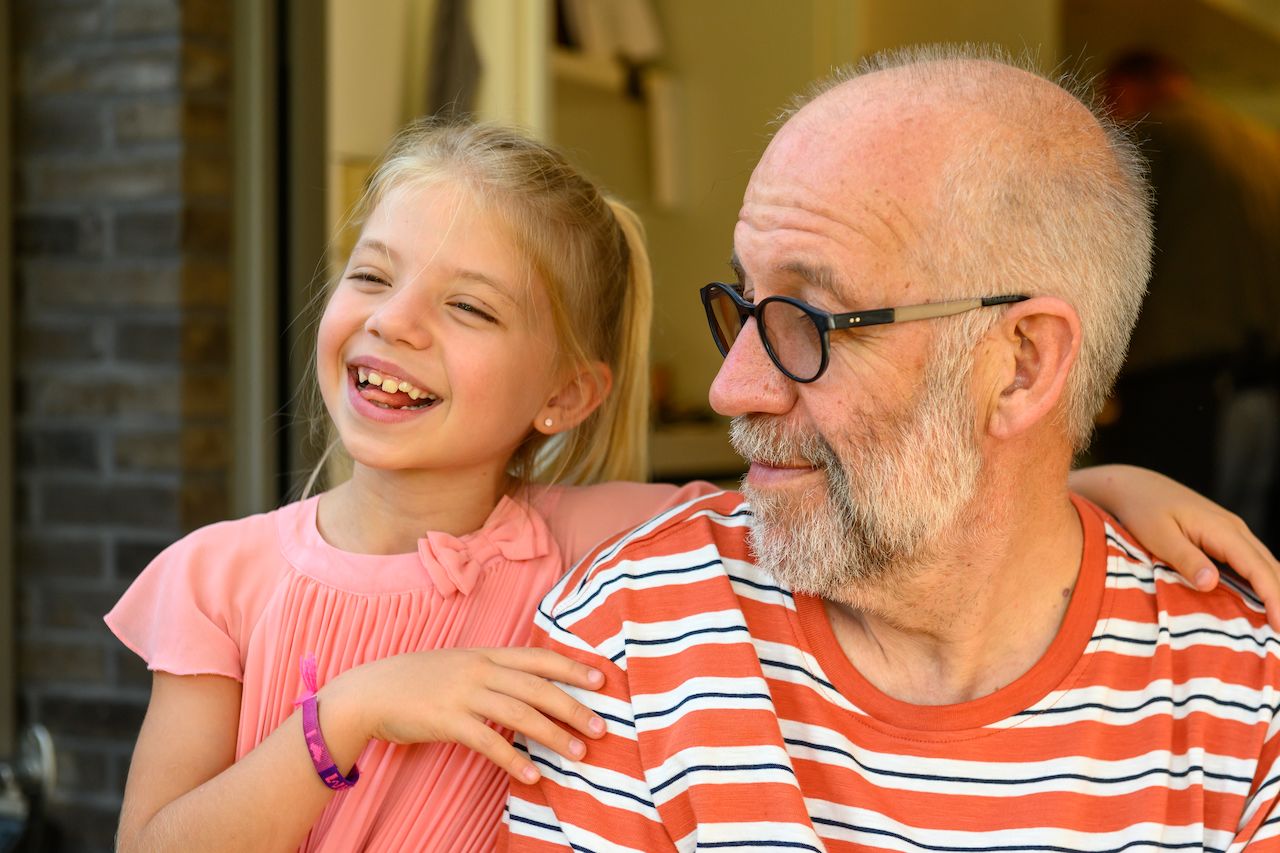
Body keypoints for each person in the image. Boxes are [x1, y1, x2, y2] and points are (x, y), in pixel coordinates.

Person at [107, 118, 1264, 853]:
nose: (392, 324)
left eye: (466, 307)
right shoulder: (219, 577)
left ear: (564, 395)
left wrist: (1092, 481)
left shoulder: (590, 540)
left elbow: (875, 496)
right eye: (370, 275)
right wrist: (351, 712)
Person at [501, 46, 1280, 850]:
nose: (732, 389)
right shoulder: (637, 637)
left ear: (1021, 365)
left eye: (811, 319)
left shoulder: (1245, 696)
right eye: (746, 303)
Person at [1096, 51, 1280, 546]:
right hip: (1260, 379)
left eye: (1108, 101)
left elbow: (1108, 253)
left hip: (1179, 379)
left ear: (1128, 89)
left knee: (1166, 541)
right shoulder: (1262, 145)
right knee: (1248, 537)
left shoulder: (1159, 135)